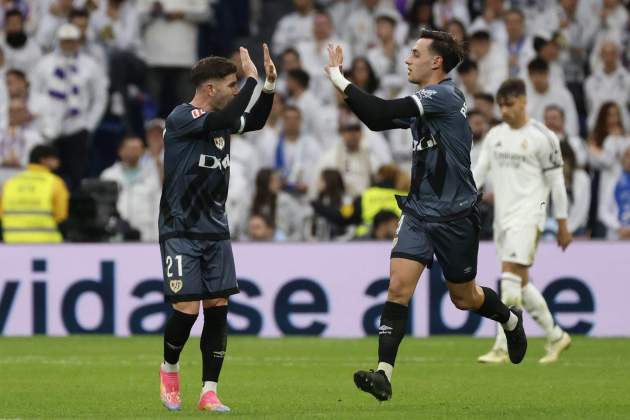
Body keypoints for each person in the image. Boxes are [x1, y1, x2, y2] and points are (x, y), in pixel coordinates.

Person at [324, 30, 527, 402]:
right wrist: (345, 85)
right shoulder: (425, 100)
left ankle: (510, 320)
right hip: (418, 210)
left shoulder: (444, 95)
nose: (407, 59)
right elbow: (377, 121)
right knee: (398, 287)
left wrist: (339, 78)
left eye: (415, 53)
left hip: (456, 216)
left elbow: (380, 111)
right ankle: (384, 374)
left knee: (464, 298)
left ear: (436, 62)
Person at [157, 45, 276, 412]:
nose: (237, 91)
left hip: (215, 229)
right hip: (180, 228)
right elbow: (234, 115)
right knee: (187, 310)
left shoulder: (220, 122)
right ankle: (169, 368)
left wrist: (268, 86)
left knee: (218, 306)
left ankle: (209, 391)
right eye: (232, 84)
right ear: (210, 89)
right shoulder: (182, 117)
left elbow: (253, 121)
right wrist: (254, 80)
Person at [473, 78, 572, 364]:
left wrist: (563, 224)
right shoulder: (495, 136)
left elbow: (557, 184)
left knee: (508, 277)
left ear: (524, 101)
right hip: (503, 219)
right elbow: (479, 174)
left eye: (510, 104)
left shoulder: (544, 137)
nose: (504, 110)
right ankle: (556, 336)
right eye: (501, 105)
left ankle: (502, 346)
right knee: (521, 282)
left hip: (530, 215)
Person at [0, 144, 68, 243]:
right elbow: (61, 215)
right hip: (47, 242)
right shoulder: (55, 182)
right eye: (54, 158)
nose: (58, 161)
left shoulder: (10, 182)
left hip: (12, 240)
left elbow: (1, 213)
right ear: (43, 160)